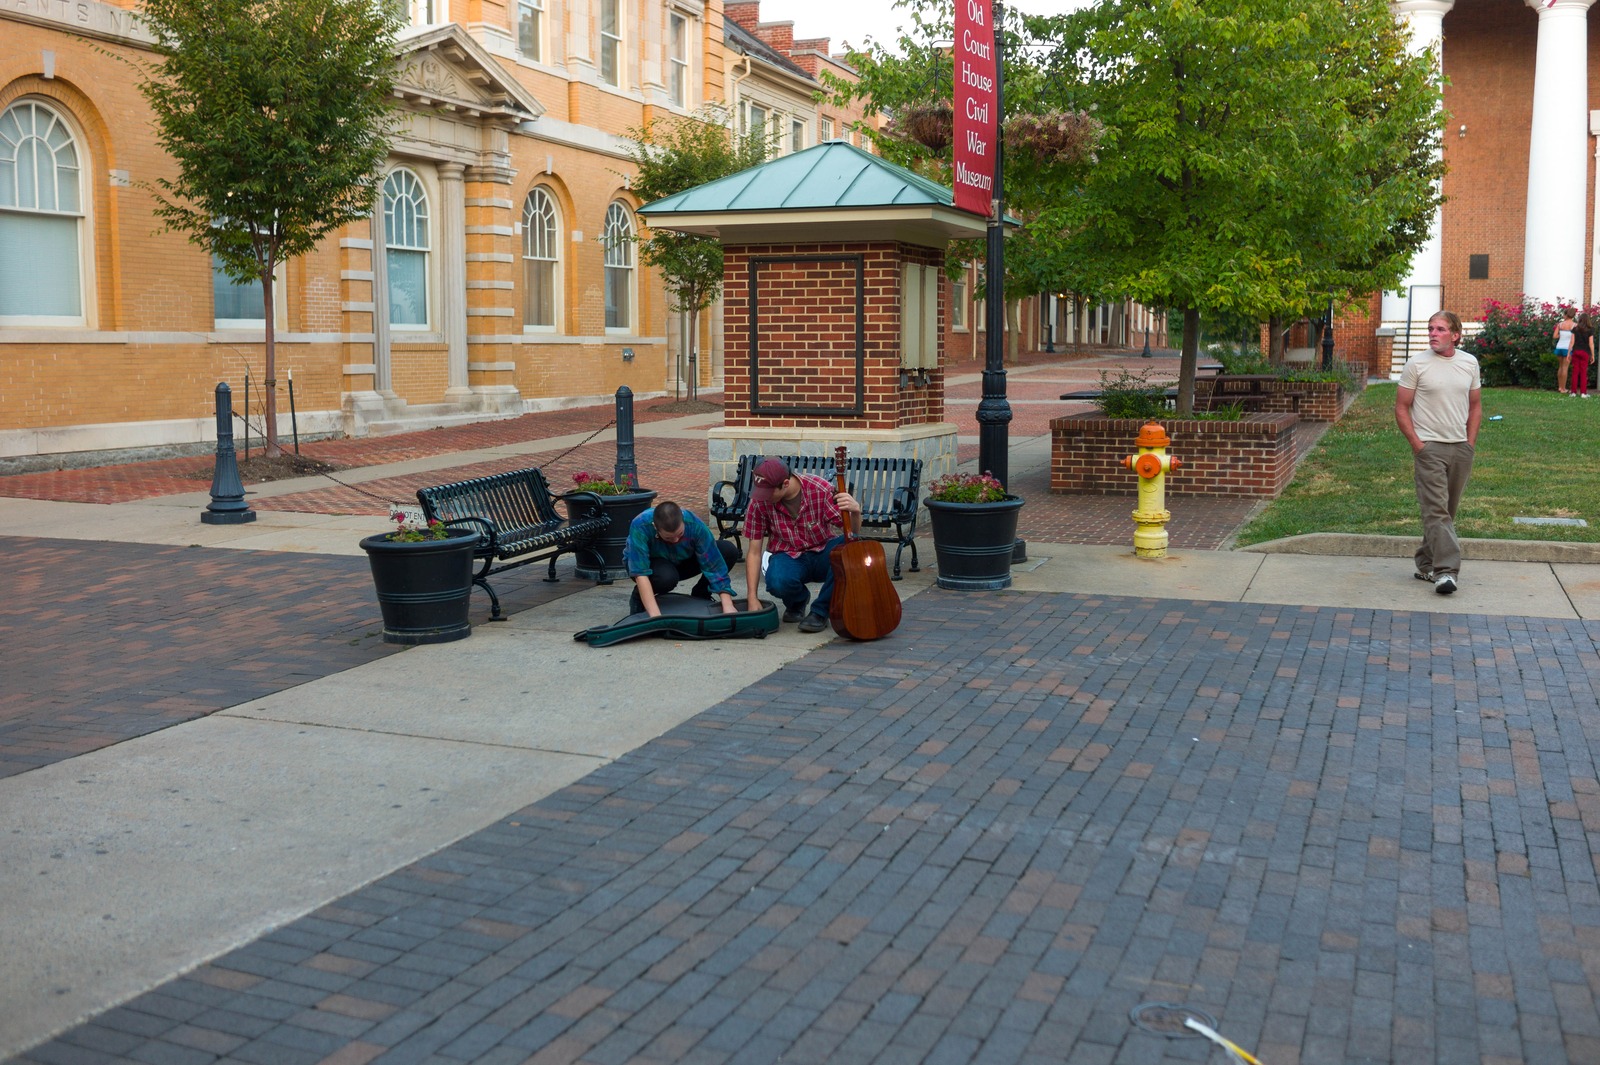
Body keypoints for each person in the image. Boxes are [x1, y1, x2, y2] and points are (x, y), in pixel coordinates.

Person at [1395, 310, 1482, 596]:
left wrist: (1469, 443)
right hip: (1429, 448)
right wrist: (1418, 445)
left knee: (1446, 512)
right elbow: (1401, 407)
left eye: (1440, 329)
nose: (1433, 333)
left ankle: (1425, 562)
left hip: (1460, 448)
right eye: (1431, 328)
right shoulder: (1416, 364)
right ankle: (1446, 572)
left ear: (1455, 335)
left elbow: (1475, 405)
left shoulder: (1469, 363)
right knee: (1436, 510)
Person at [742, 458, 862, 633]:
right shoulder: (759, 501)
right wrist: (752, 597)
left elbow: (852, 534)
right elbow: (754, 552)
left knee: (850, 549)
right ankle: (797, 602)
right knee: (777, 581)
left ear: (785, 483)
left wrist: (856, 512)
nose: (763, 497)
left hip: (822, 551)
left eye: (768, 492)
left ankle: (820, 612)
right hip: (787, 555)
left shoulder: (819, 489)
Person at [622, 501, 739, 617]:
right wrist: (655, 616)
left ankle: (701, 594)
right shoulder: (640, 526)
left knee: (727, 550)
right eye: (668, 537)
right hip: (654, 567)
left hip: (681, 560)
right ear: (655, 527)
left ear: (683, 520)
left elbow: (714, 565)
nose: (675, 540)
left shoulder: (694, 524)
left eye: (680, 534)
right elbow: (640, 572)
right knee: (666, 577)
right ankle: (639, 597)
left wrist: (727, 605)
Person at [1553, 306, 1576, 394]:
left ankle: (1560, 387)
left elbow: (1555, 336)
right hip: (1568, 348)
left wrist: (1561, 335)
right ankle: (1563, 388)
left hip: (1559, 347)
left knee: (1560, 367)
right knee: (1565, 368)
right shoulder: (1574, 325)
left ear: (1566, 315)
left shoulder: (1560, 324)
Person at [1572, 312, 1594, 399]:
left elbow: (1572, 342)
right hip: (1585, 352)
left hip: (1576, 351)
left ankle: (1573, 392)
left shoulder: (1575, 329)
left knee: (1575, 372)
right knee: (1583, 372)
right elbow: (1591, 343)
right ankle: (1583, 393)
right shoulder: (1590, 330)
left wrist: (1569, 352)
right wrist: (1592, 355)